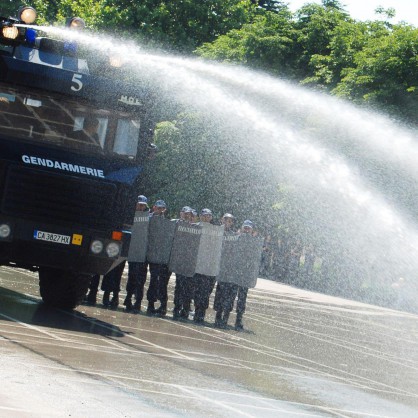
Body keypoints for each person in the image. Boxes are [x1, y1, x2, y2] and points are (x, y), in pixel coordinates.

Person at [124, 195, 150, 313]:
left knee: (140, 280)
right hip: (130, 252)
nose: (140, 207)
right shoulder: (128, 215)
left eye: (143, 205)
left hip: (143, 254)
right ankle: (128, 297)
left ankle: (138, 301)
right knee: (131, 277)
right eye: (139, 204)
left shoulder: (149, 218)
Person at [146, 199, 172, 316]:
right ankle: (150, 304)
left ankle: (163, 305)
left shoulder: (168, 222)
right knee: (153, 280)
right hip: (150, 255)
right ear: (154, 207)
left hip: (163, 257)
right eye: (158, 208)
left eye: (162, 208)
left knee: (162, 282)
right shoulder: (147, 219)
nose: (160, 210)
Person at [192, 208, 217, 324]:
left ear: (211, 217)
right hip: (197, 266)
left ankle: (201, 312)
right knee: (197, 291)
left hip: (209, 267)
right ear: (200, 216)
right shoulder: (195, 227)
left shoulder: (216, 230)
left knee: (206, 291)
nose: (206, 218)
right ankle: (197, 311)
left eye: (208, 216)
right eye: (204, 215)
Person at [172, 206, 196, 320]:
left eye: (190, 214)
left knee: (189, 288)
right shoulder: (175, 224)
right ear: (181, 214)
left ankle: (186, 309)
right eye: (186, 214)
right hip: (180, 261)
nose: (188, 216)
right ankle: (177, 308)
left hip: (191, 263)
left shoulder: (196, 228)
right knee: (179, 287)